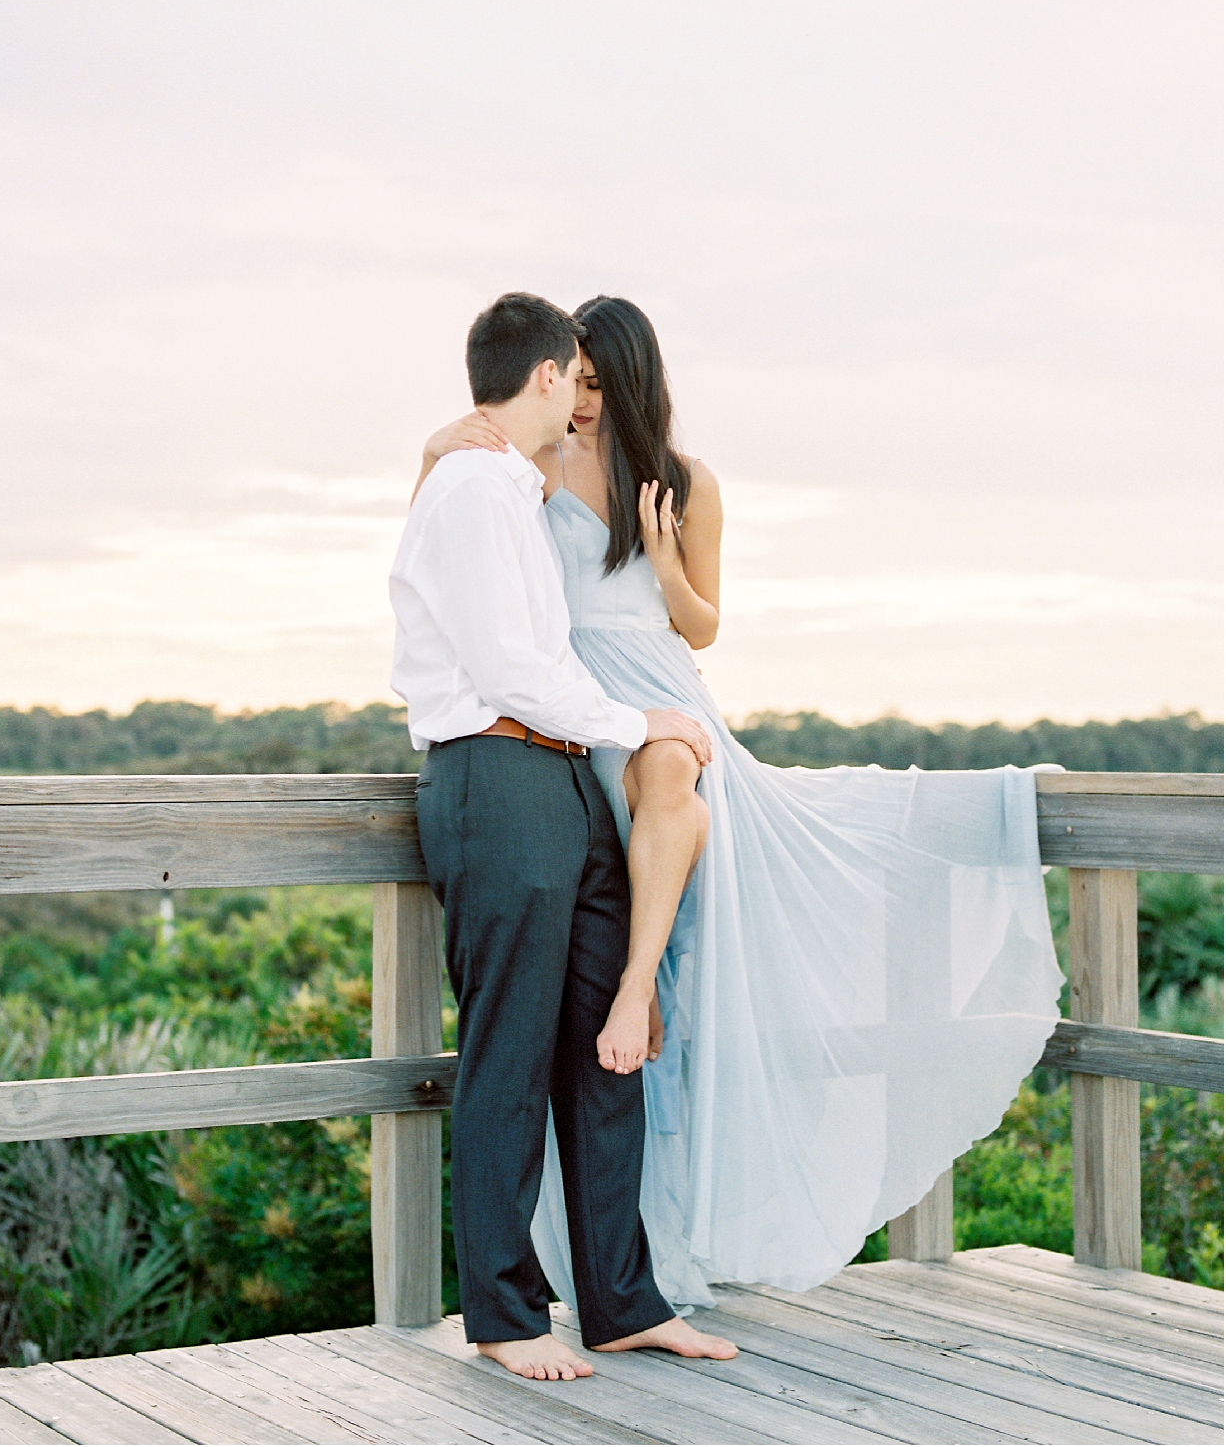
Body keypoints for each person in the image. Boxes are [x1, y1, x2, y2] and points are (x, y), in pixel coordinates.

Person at [415, 293, 1065, 1313]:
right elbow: (470, 564)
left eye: (594, 382)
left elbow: (703, 624)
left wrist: (664, 557)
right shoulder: (523, 468)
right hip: (563, 700)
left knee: (673, 805)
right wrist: (433, 455)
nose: (578, 400)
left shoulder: (680, 481)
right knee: (559, 991)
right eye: (569, 379)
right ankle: (594, 1241)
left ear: (625, 380)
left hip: (651, 684)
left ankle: (640, 1007)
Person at [389, 291, 738, 1380]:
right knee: (507, 1052)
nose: (581, 396)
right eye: (570, 376)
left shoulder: (517, 488)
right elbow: (512, 672)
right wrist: (641, 724)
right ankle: (500, 1312)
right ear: (547, 377)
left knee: (602, 1040)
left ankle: (621, 1298)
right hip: (495, 773)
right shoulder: (470, 489)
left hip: (563, 782)